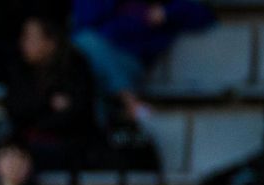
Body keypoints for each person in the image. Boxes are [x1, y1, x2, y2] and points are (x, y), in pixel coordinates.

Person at [72, 0, 214, 123]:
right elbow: (85, 19)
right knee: (88, 52)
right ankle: (128, 99)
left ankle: (125, 101)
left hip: (130, 60)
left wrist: (167, 12)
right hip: (95, 56)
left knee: (86, 47)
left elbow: (204, 15)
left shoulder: (158, 5)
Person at [6, 15, 98, 177]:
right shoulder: (19, 69)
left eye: (29, 37)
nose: (22, 42)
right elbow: (16, 109)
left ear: (50, 43)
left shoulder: (74, 67)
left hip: (70, 147)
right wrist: (47, 103)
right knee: (9, 159)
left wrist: (36, 116)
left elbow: (76, 114)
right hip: (26, 143)